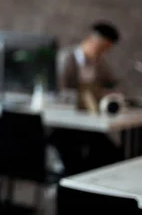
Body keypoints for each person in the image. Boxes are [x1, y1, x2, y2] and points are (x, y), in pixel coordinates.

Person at [48, 21, 124, 176]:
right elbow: (59, 94)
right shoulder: (66, 59)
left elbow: (115, 85)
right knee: (76, 164)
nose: (103, 52)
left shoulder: (99, 63)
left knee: (112, 154)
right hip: (65, 126)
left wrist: (110, 93)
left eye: (106, 49)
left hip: (89, 125)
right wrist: (89, 96)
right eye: (101, 47)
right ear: (90, 39)